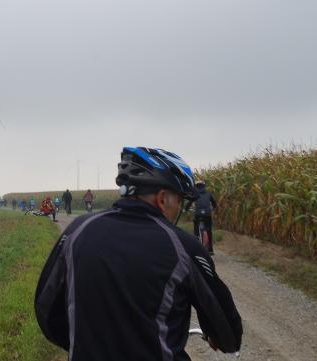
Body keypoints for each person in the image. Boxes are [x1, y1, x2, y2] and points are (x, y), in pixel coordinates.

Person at [35, 147, 242, 360]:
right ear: (163, 198)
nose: (179, 207)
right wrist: (218, 336)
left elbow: (46, 311)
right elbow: (229, 335)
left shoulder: (77, 230)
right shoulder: (183, 246)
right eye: (179, 200)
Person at [185, 180, 218, 254]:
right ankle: (210, 250)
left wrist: (186, 209)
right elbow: (214, 204)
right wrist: (212, 208)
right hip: (207, 214)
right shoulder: (208, 194)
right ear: (204, 186)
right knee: (209, 231)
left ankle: (197, 247)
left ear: (196, 186)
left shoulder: (195, 194)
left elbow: (189, 203)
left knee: (196, 230)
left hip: (198, 214)